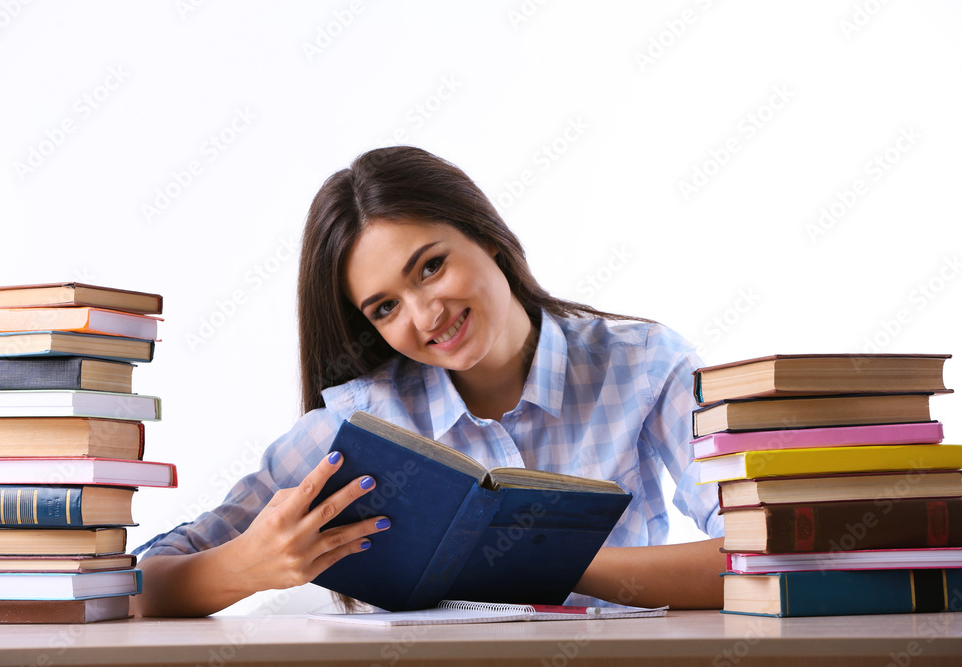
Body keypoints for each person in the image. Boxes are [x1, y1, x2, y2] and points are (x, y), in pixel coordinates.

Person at [132, 146, 725, 618]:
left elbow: (767, 555)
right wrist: (249, 566)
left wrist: (556, 564)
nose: (425, 315)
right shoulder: (358, 424)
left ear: (487, 234)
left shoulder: (645, 364)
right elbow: (131, 585)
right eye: (385, 307)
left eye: (431, 266)